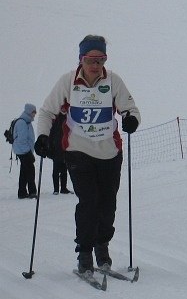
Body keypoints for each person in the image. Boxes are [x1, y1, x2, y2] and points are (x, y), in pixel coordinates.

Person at [34, 35, 141, 274]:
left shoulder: (113, 80)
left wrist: (131, 119)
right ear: (81, 59)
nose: (96, 64)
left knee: (107, 204)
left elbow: (130, 108)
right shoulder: (68, 81)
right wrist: (42, 136)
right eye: (91, 59)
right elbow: (47, 112)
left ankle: (102, 248)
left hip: (109, 153)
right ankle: (84, 253)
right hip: (78, 151)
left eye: (101, 59)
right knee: (89, 202)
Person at [12, 103, 38, 199]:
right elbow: (22, 140)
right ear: (28, 111)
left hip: (24, 150)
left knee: (24, 171)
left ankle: (22, 192)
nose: (34, 114)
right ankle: (32, 192)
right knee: (30, 171)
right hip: (23, 151)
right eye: (33, 112)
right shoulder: (22, 123)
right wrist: (28, 152)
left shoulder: (27, 122)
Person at [48, 108, 71, 195]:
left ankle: (61, 188)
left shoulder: (67, 119)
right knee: (58, 169)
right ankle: (58, 189)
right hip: (58, 148)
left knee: (62, 169)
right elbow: (51, 135)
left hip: (62, 148)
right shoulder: (57, 120)